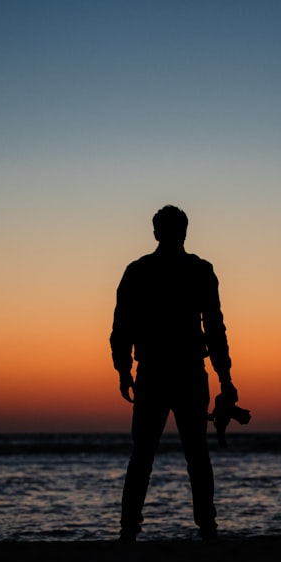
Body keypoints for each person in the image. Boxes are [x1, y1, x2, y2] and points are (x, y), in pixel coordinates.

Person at [110, 205, 240, 542]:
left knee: (144, 455)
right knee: (195, 453)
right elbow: (215, 329)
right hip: (183, 373)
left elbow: (121, 328)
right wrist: (225, 378)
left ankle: (129, 531)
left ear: (156, 232)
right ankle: (207, 529)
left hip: (156, 372)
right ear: (184, 232)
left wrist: (124, 370)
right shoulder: (199, 271)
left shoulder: (138, 271)